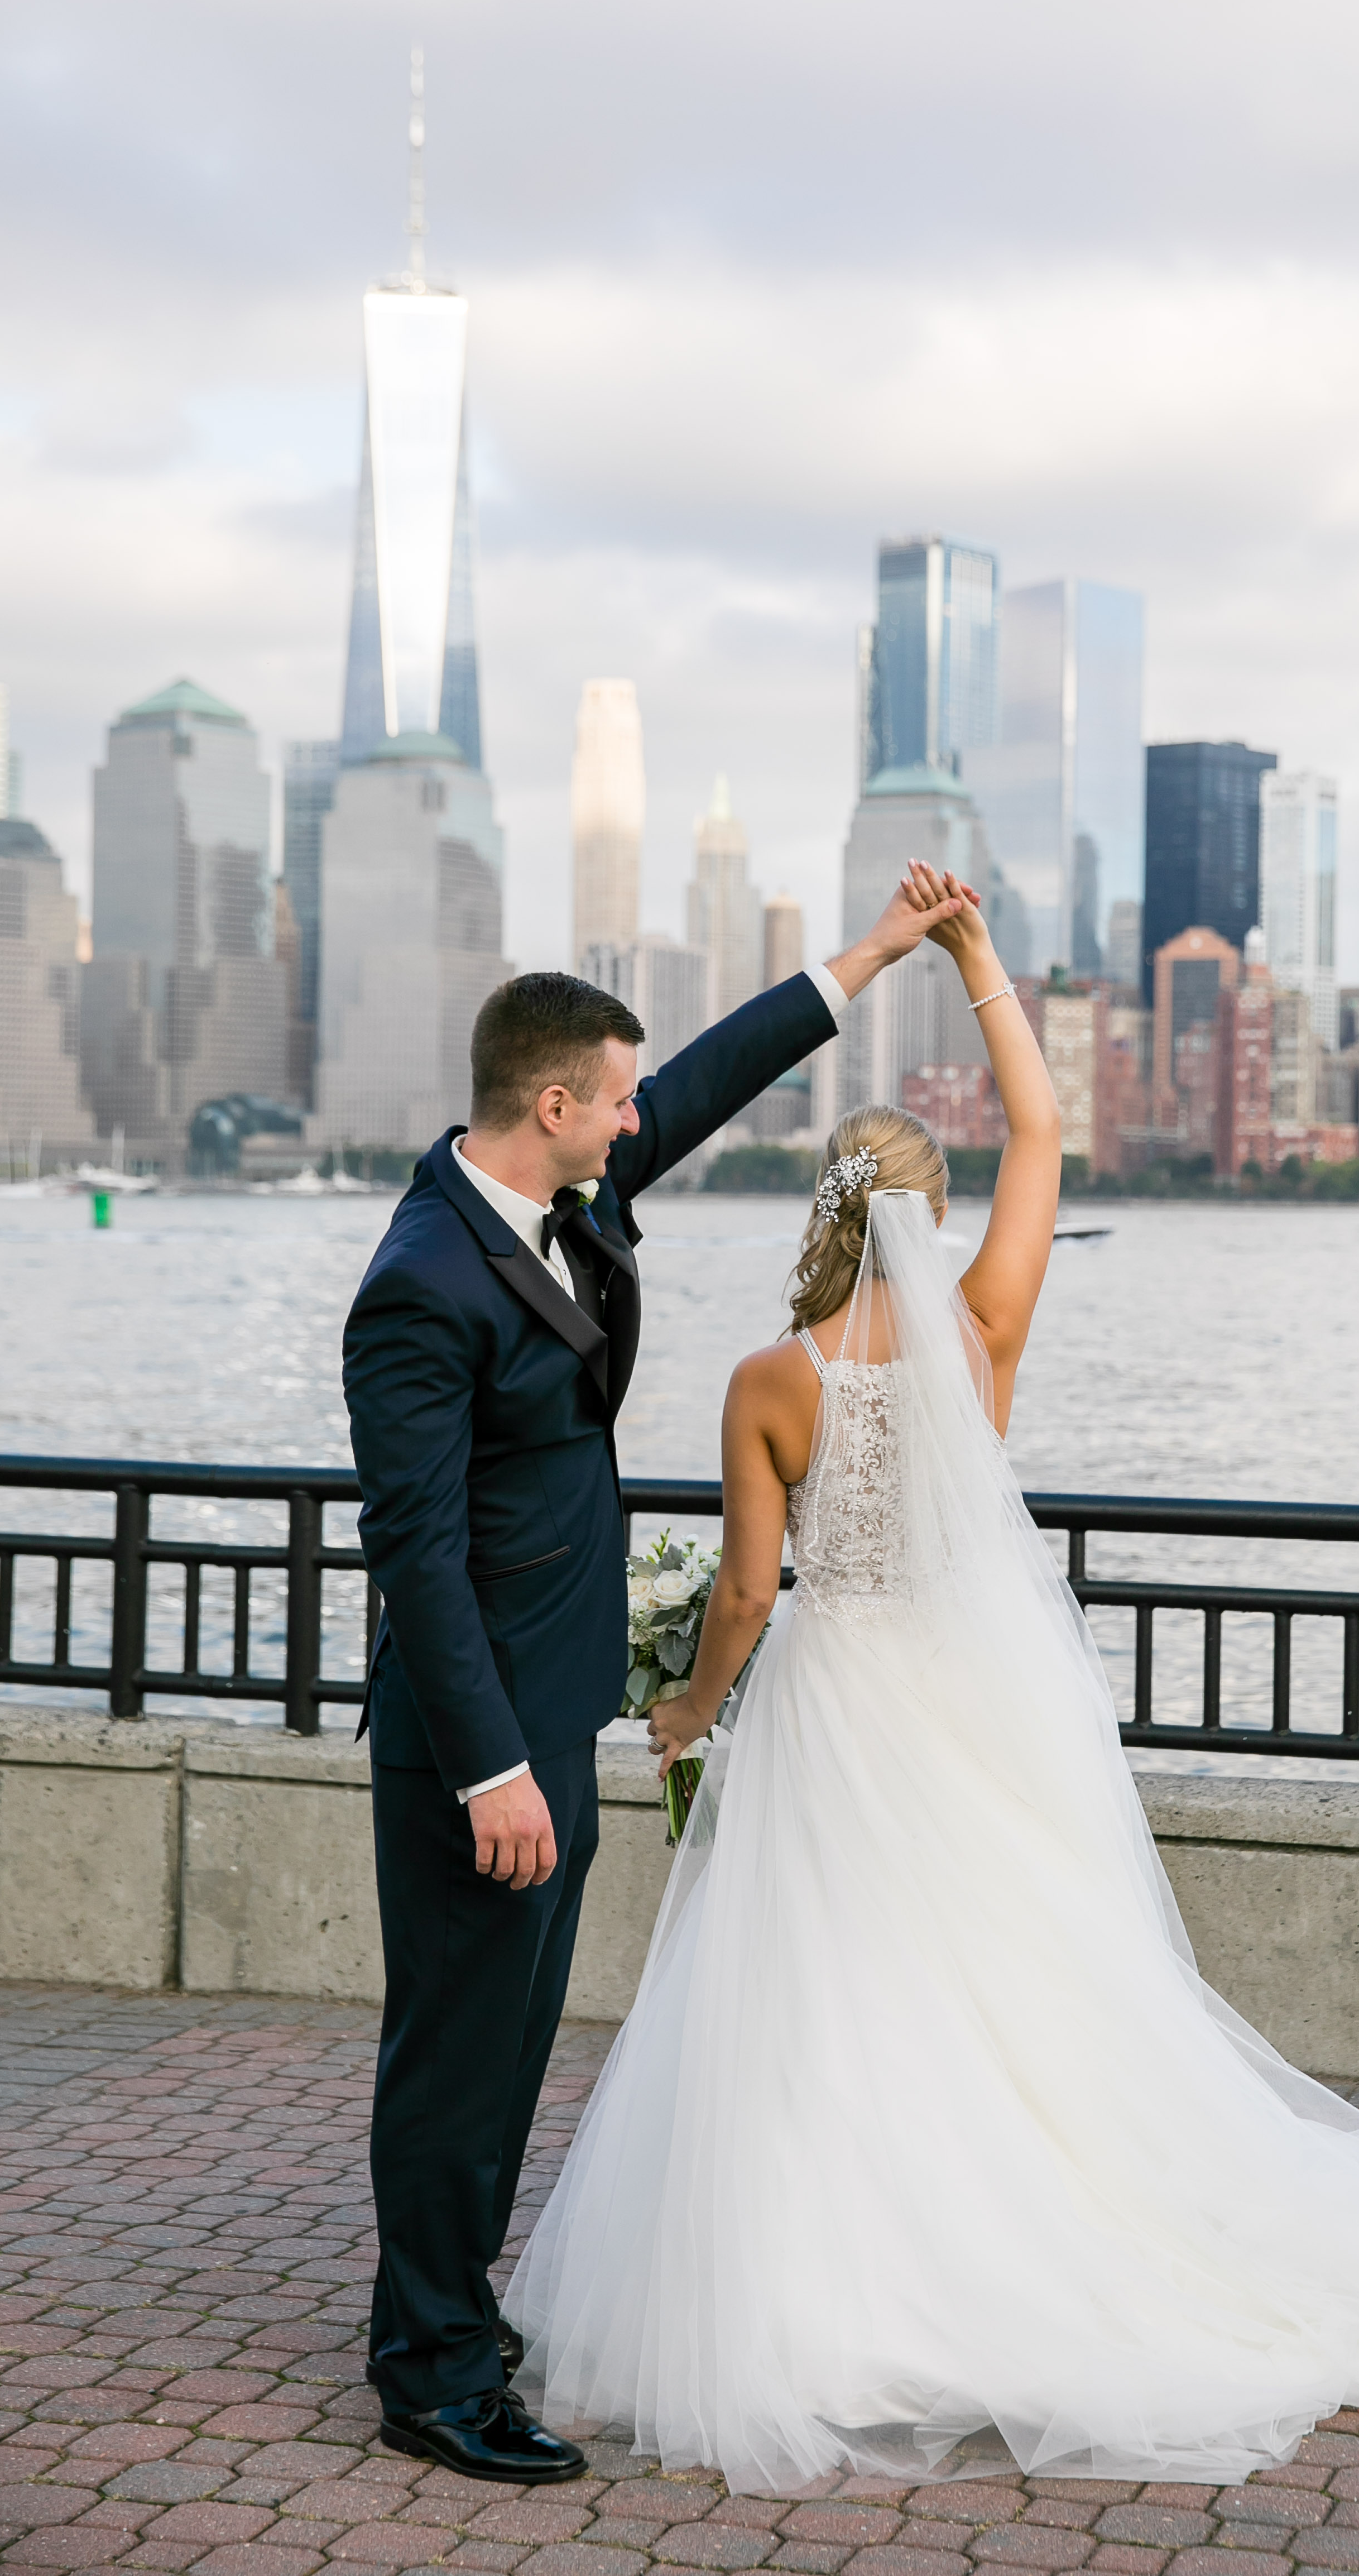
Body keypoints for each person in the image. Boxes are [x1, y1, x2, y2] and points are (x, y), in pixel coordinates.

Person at [505, 863, 1359, 2494]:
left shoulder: (770, 1379)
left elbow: (749, 1594)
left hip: (836, 1708)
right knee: (1006, 1995)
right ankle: (1023, 2259)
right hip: (971, 1704)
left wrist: (684, 1708)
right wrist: (976, 963)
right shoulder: (984, 1326)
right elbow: (1048, 1138)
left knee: (825, 2005)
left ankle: (849, 2294)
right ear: (929, 1210)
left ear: (822, 1210)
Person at [341, 866, 969, 2486]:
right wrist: (491, 1770)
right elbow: (415, 1554)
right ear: (549, 1104)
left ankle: (455, 2320)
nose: (637, 1125)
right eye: (611, 1105)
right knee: (458, 2053)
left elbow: (700, 1078)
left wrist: (876, 957)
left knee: (512, 2038)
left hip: (556, 1710)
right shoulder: (418, 1288)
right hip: (478, 1742)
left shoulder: (566, 1200)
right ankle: (429, 2374)